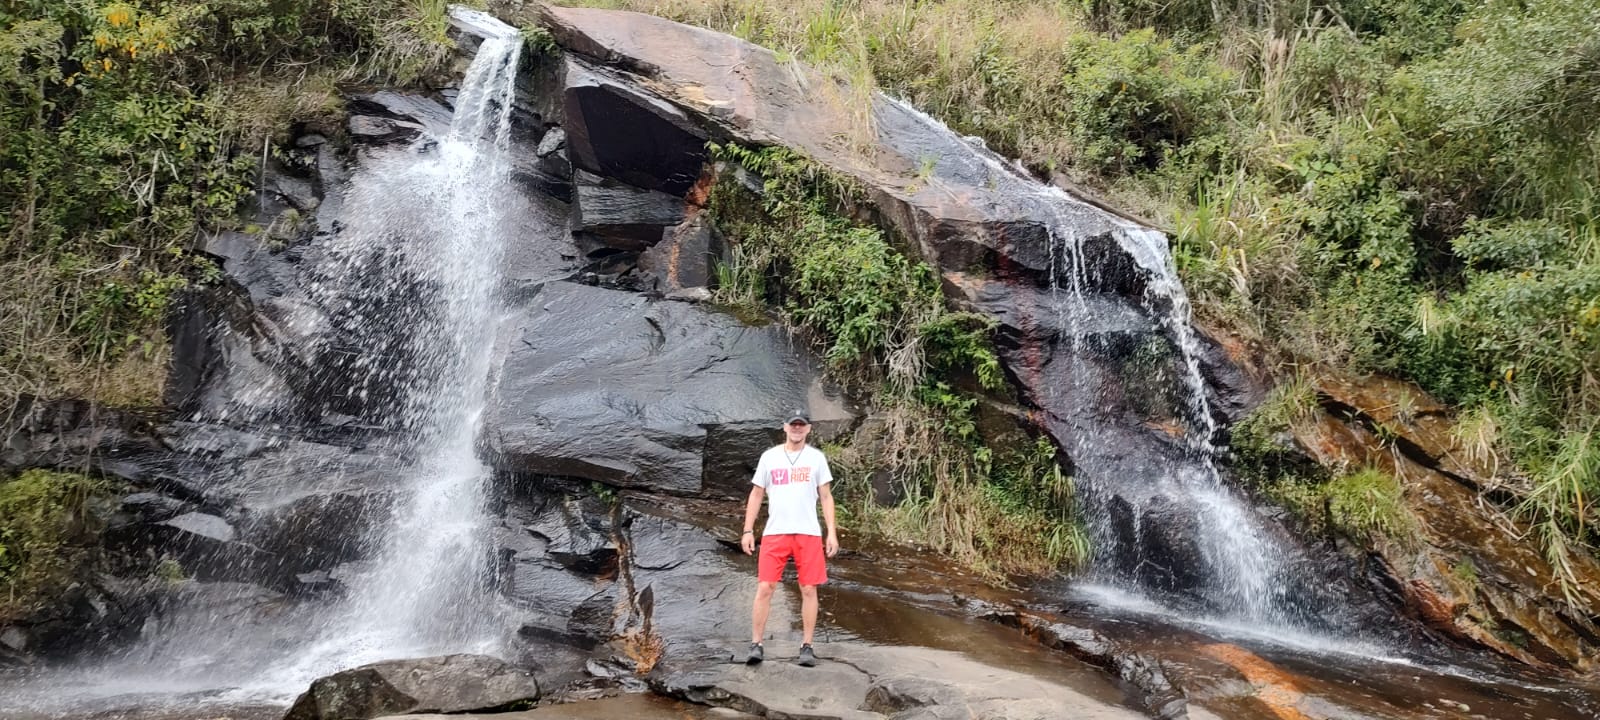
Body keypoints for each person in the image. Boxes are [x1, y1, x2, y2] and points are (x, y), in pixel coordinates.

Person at [740, 409, 839, 667]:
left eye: (801, 425)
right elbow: (756, 494)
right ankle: (756, 644)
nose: (797, 429)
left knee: (808, 588)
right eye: (793, 425)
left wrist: (832, 532)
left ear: (808, 429)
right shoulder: (770, 457)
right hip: (776, 532)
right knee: (765, 587)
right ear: (784, 427)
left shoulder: (816, 459)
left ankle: (807, 646)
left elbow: (826, 497)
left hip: (808, 532)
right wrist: (748, 530)